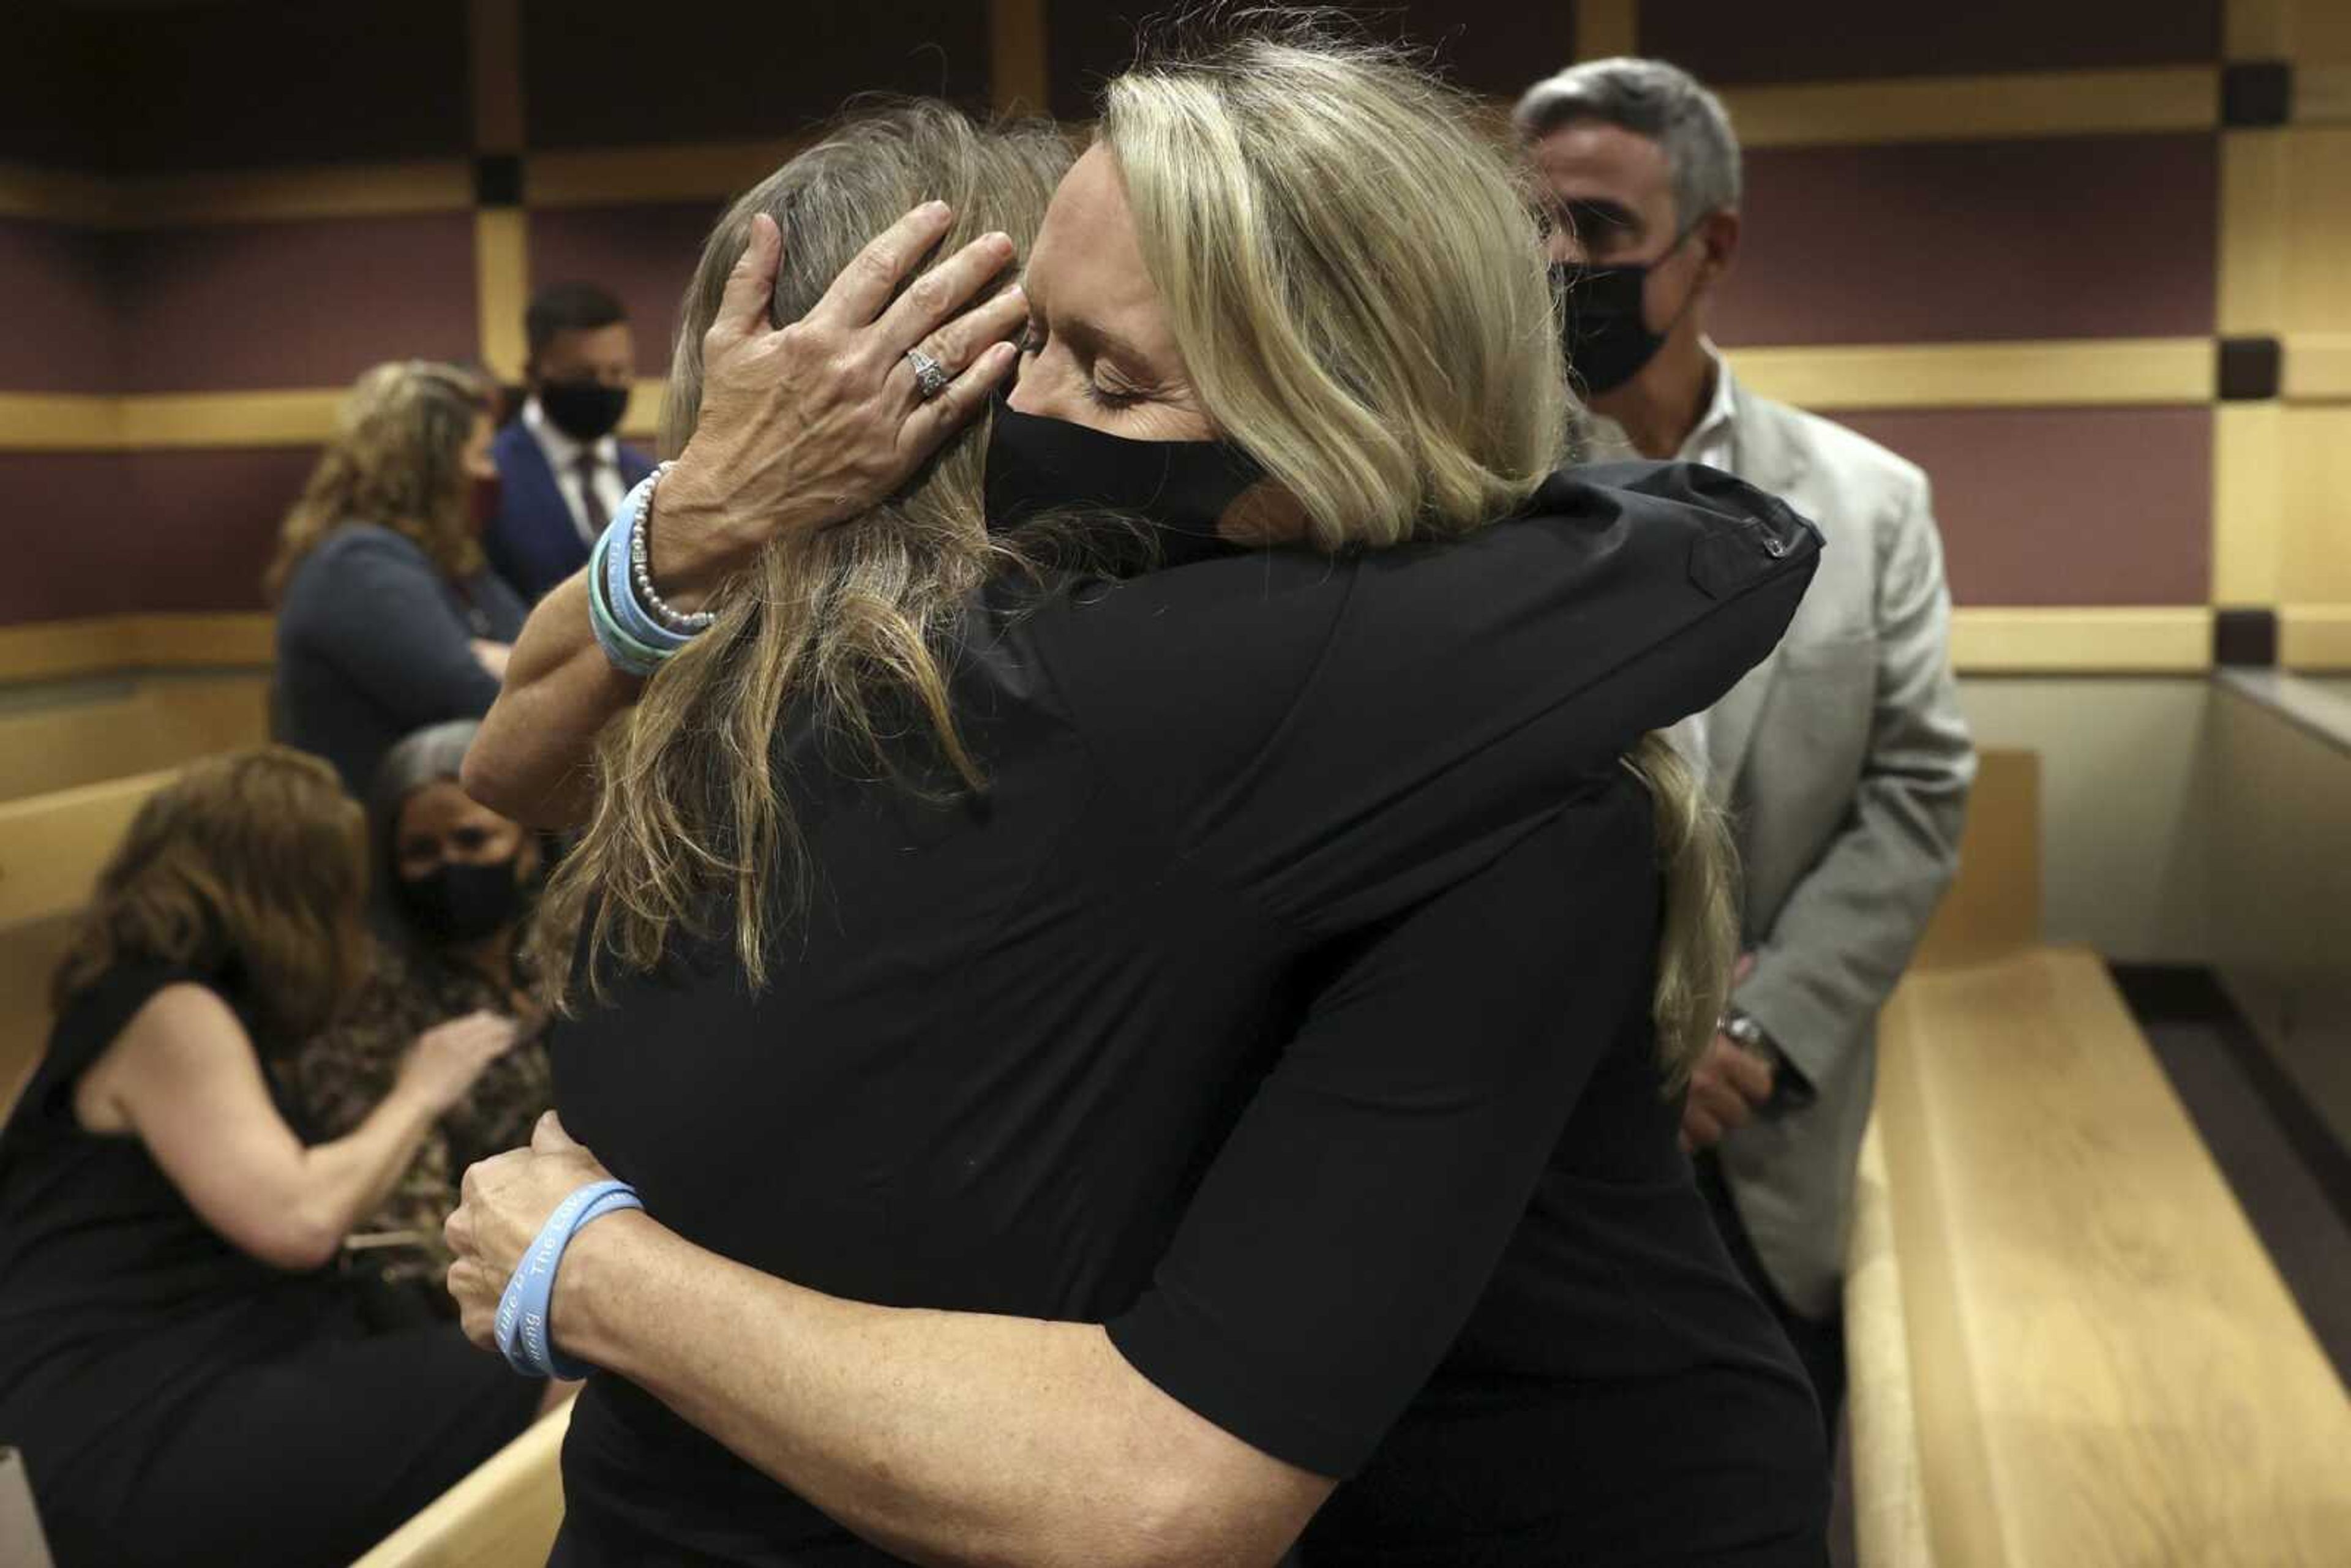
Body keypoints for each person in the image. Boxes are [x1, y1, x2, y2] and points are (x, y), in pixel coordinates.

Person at [452, 47, 1824, 1568]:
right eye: (1024, 339)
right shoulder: (884, 710)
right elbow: (517, 760)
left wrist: (588, 1266)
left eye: (1102, 373)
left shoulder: (1278, 730)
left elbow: (1159, 1485)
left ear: (1334, 426)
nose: (1015, 414)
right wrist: (706, 504)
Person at [1516, 56, 1977, 1422]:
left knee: (1767, 1456)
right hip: (1530, 1128)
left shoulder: (1872, 499)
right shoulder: (1475, 491)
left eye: (1598, 229)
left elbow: (1916, 791)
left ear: (1709, 246)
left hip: (1766, 1125)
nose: (1559, 262)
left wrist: (1755, 1026)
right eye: (1531, 225)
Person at [0, 748, 550, 1567]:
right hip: (133, 1420)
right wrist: (421, 1086)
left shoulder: (118, 1004)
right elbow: (298, 1220)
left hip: (119, 1406)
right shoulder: (169, 1010)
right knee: (563, 1368)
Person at [283, 720, 552, 1311]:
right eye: (421, 852)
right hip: (483, 1288)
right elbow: (404, 1222)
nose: (450, 866)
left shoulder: (568, 952)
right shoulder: (365, 997)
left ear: (527, 846)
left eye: (472, 839)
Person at [269, 361, 528, 794]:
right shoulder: (357, 566)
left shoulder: (452, 558)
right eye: (480, 454)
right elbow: (478, 700)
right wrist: (489, 661)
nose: (491, 473)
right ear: (431, 468)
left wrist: (490, 656)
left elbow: (538, 653)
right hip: (382, 843)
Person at [484, 282, 658, 601]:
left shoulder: (650, 478)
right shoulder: (491, 475)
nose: (604, 388)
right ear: (534, 375)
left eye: (617, 373)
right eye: (584, 375)